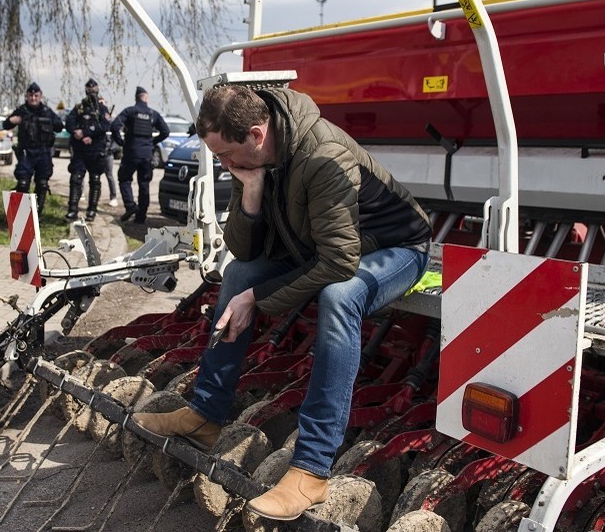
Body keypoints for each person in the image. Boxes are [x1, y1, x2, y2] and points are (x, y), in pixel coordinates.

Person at [132, 85, 432, 521]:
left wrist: (257, 298)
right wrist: (251, 194)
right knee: (238, 274)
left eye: (226, 155)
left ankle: (311, 471)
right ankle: (206, 415)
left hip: (397, 247)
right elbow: (244, 252)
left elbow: (338, 262)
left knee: (339, 296)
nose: (224, 165)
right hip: (324, 245)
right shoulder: (255, 158)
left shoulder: (323, 156)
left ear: (256, 135)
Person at [3, 82, 63, 216]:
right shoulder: (22, 110)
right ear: (27, 96)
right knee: (23, 183)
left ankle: (36, 215)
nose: (33, 98)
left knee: (42, 184)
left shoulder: (46, 111)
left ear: (40, 96)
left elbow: (59, 126)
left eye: (36, 95)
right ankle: (22, 216)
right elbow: (6, 125)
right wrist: (12, 121)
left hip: (43, 152)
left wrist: (51, 122)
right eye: (31, 95)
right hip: (27, 152)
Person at [110, 86, 169, 223]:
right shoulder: (153, 114)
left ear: (136, 98)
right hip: (147, 154)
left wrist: (121, 142)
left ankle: (130, 205)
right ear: (146, 98)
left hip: (131, 152)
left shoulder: (130, 111)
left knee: (124, 179)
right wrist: (152, 142)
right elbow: (165, 131)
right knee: (144, 184)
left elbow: (114, 126)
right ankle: (141, 216)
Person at [64, 78, 112, 221]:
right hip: (80, 150)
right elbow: (69, 123)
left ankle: (92, 210)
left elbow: (105, 126)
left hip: (96, 150)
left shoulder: (102, 108)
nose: (91, 93)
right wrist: (77, 133)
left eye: (93, 90)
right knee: (76, 178)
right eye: (89, 90)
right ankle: (72, 210)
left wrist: (86, 133)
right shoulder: (79, 107)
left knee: (95, 180)